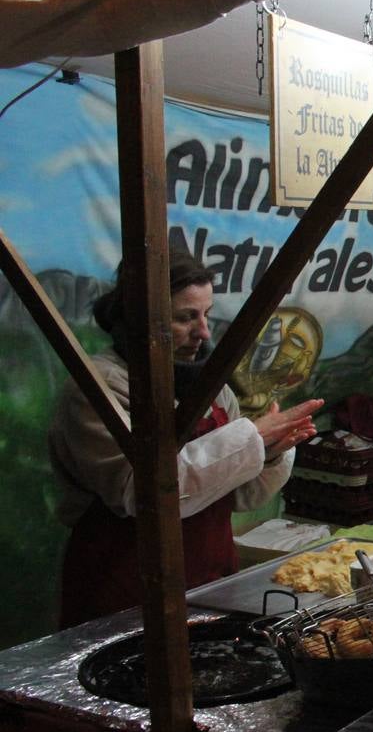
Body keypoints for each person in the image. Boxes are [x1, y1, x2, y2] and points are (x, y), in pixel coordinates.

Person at [48, 250, 323, 627]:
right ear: (140, 319)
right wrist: (251, 438)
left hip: (209, 576)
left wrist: (270, 453)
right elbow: (140, 493)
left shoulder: (211, 387)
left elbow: (240, 496)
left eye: (206, 314)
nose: (203, 332)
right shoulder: (98, 388)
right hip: (126, 584)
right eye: (184, 318)